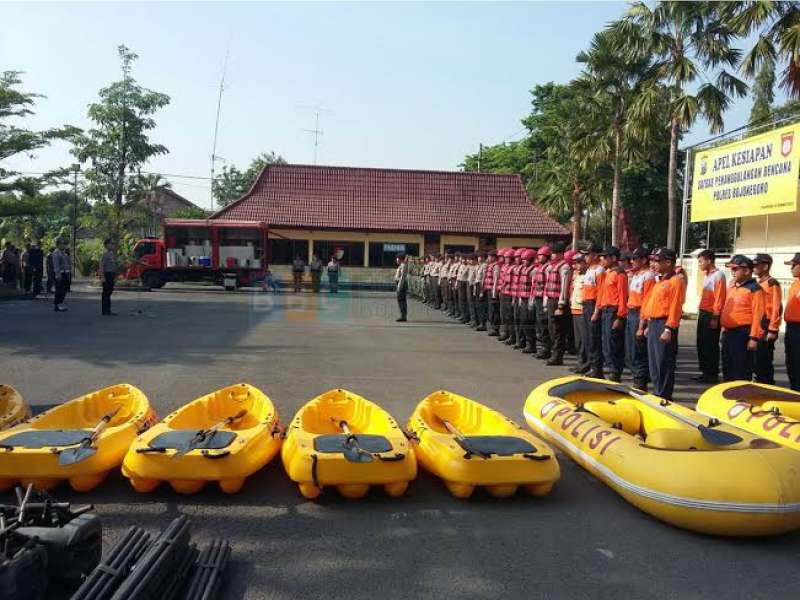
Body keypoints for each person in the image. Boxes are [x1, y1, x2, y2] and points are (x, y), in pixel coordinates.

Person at [639, 248, 686, 400]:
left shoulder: (676, 281)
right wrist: (647, 323)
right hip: (654, 323)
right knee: (653, 362)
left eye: (657, 261)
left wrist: (669, 328)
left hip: (664, 324)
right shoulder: (660, 281)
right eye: (653, 260)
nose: (654, 264)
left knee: (663, 362)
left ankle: (664, 395)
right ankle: (657, 391)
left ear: (668, 262)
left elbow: (675, 306)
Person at [720, 255, 765, 382]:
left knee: (741, 369)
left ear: (746, 271)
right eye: (731, 269)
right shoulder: (733, 287)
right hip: (729, 333)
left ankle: (742, 400)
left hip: (742, 334)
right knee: (727, 368)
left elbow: (759, 315)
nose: (732, 272)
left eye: (735, 269)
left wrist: (754, 338)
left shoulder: (755, 289)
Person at [593, 246, 628, 382]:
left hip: (614, 311)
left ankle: (615, 373)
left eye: (605, 257)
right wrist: (598, 310)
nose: (602, 259)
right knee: (606, 343)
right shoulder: (608, 273)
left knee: (614, 343)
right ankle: (611, 370)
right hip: (606, 311)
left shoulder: (620, 274)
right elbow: (602, 294)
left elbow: (623, 296)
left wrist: (620, 317)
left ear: (613, 258)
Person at [694, 249, 726, 383]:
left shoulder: (718, 275)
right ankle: (705, 371)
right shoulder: (707, 275)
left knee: (710, 345)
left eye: (701, 261)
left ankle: (711, 373)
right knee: (701, 343)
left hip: (711, 314)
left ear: (709, 260)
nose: (699, 264)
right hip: (703, 313)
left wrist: (715, 317)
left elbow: (719, 298)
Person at [626, 246, 655, 390]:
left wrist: (642, 325)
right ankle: (637, 374)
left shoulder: (648, 276)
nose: (632, 261)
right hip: (631, 312)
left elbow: (647, 301)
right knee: (631, 348)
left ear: (644, 260)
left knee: (639, 348)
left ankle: (641, 379)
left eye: (635, 259)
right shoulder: (636, 275)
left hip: (639, 313)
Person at [752, 253, 783, 385]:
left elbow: (776, 307)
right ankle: (760, 382)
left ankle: (767, 385)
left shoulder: (772, 283)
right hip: (758, 326)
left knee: (764, 360)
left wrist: (773, 329)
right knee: (757, 360)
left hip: (766, 327)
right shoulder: (759, 283)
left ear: (765, 266)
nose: (753, 268)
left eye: (756, 265)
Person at [544, 241, 572, 366]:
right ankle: (553, 352)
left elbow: (564, 287)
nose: (552, 255)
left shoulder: (564, 267)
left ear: (561, 254)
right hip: (550, 299)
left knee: (558, 330)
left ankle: (557, 355)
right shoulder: (550, 267)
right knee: (551, 328)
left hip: (557, 301)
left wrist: (561, 304)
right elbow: (547, 285)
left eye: (555, 253)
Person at [569, 251, 591, 374]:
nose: (576, 266)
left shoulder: (588, 276)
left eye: (578, 263)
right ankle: (580, 362)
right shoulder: (577, 276)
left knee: (584, 339)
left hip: (583, 310)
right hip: (575, 309)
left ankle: (585, 364)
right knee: (578, 339)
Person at [531, 246, 551, 358]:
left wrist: (545, 300)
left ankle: (546, 348)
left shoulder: (547, 268)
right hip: (537, 297)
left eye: (541, 255)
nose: (538, 257)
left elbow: (547, 284)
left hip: (544, 298)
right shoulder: (540, 267)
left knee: (544, 324)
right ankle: (543, 347)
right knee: (539, 323)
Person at [784, 253, 800, 391]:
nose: (792, 268)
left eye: (794, 265)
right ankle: (795, 389)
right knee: (791, 361)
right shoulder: (796, 283)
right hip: (791, 327)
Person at [516, 249, 536, 353]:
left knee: (527, 321)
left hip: (528, 299)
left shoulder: (533, 270)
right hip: (522, 298)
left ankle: (531, 344)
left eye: (525, 259)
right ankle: (525, 342)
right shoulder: (524, 269)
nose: (523, 261)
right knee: (522, 321)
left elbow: (533, 286)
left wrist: (531, 301)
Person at [483, 250, 501, 336]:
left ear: (494, 257)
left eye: (489, 256)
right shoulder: (490, 266)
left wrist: (494, 292)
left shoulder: (496, 267)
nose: (488, 258)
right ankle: (492, 327)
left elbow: (496, 280)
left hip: (493, 291)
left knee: (494, 310)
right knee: (490, 309)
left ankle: (495, 328)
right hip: (489, 290)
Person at [99, 238, 119, 316]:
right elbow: (101, 266)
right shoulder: (105, 254)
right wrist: (102, 276)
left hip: (111, 274)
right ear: (107, 245)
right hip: (106, 274)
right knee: (106, 293)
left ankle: (108, 309)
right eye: (112, 244)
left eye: (113, 244)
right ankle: (105, 310)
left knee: (109, 292)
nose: (113, 245)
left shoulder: (111, 254)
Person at [52, 238, 71, 312]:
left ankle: (60, 303)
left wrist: (68, 272)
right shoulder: (56, 253)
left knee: (65, 289)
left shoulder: (64, 253)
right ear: (58, 245)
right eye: (62, 244)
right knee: (59, 290)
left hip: (65, 273)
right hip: (60, 274)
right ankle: (57, 305)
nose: (64, 245)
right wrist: (58, 275)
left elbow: (67, 264)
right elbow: (56, 265)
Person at [395, 253, 408, 322]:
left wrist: (399, 287)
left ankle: (403, 316)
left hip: (401, 284)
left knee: (401, 300)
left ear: (400, 259)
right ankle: (403, 315)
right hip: (400, 284)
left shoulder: (403, 266)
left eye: (397, 258)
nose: (396, 260)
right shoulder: (401, 266)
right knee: (401, 300)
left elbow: (402, 278)